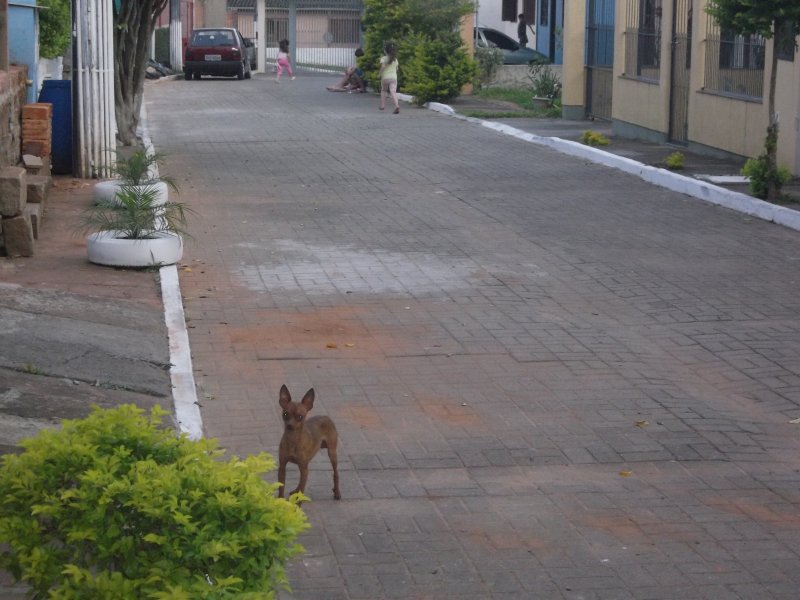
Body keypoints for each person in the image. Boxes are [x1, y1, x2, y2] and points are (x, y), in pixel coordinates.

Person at [378, 42, 400, 114]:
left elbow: (383, 67)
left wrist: (379, 74)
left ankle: (382, 106)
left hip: (385, 78)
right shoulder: (395, 59)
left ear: (385, 51)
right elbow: (397, 69)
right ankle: (396, 106)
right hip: (394, 78)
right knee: (393, 91)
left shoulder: (383, 58)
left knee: (383, 91)